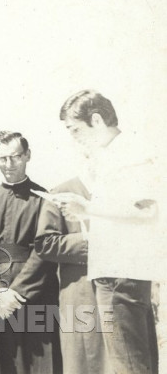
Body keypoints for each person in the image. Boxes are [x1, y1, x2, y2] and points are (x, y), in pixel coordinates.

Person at [52, 90, 162, 374]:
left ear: (97, 120)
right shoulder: (115, 154)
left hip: (118, 276)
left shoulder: (128, 154)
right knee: (136, 361)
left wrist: (88, 208)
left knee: (128, 364)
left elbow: (146, 209)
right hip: (121, 274)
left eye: (75, 129)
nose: (74, 137)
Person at [0, 131, 61, 374]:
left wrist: (16, 293)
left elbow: (45, 250)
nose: (8, 165)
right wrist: (0, 292)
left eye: (14, 157)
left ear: (27, 155)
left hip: (35, 292)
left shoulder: (45, 200)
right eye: (2, 158)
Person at [34, 151, 105, 373]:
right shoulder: (61, 193)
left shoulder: (120, 192)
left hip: (120, 292)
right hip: (81, 293)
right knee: (83, 361)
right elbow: (45, 243)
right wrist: (90, 243)